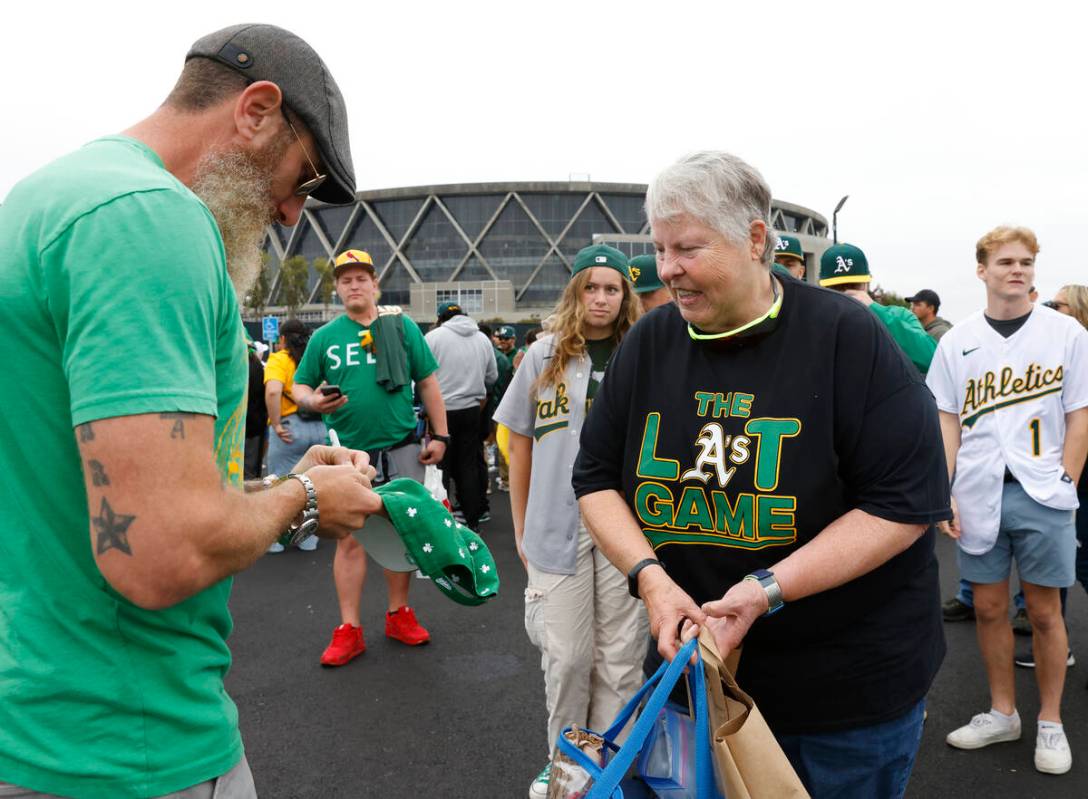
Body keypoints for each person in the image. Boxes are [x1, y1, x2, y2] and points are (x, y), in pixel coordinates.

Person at [0, 24, 383, 799]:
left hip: (40, 718)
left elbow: (103, 497)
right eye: (302, 179)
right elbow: (160, 549)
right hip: (131, 739)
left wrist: (276, 491)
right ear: (256, 111)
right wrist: (306, 497)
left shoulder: (45, 197)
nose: (288, 215)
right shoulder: (151, 219)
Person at [572, 151, 950, 799]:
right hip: (693, 677)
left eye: (688, 247)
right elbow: (597, 478)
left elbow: (904, 504)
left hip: (842, 698)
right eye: (660, 249)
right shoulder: (652, 342)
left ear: (755, 239)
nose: (667, 270)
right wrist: (652, 580)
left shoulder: (846, 338)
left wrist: (765, 589)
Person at [929, 228, 1087, 775]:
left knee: (1044, 611)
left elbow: (1080, 415)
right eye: (1004, 262)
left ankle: (1050, 720)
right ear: (982, 270)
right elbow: (947, 418)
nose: (1016, 270)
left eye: (1025, 262)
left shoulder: (1065, 333)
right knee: (990, 607)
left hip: (1042, 491)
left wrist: (1067, 480)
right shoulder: (957, 341)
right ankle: (1003, 712)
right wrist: (942, 488)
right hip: (977, 491)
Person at [495, 244, 646, 799]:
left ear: (624, 295)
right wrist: (518, 524)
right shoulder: (544, 355)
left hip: (626, 523)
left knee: (621, 658)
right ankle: (564, 760)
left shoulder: (643, 353)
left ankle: (610, 765)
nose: (601, 299)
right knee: (567, 655)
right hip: (556, 522)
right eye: (591, 287)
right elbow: (520, 442)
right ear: (575, 292)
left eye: (612, 288)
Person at [293, 249, 449, 666]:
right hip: (348, 456)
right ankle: (349, 628)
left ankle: (399, 614)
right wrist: (312, 402)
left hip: (401, 447)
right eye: (345, 280)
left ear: (375, 284)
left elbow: (428, 383)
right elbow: (300, 385)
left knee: (403, 535)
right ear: (338, 289)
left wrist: (441, 435)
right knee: (349, 539)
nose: (354, 285)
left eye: (361, 278)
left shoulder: (400, 329)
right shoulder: (326, 337)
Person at [424, 302, 497, 530]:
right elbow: (492, 377)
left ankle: (442, 520)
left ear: (440, 318)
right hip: (472, 409)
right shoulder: (482, 339)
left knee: (441, 465)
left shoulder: (433, 338)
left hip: (441, 410)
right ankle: (472, 518)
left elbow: (421, 377)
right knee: (469, 464)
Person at [818, 243, 937, 374]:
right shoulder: (814, 318)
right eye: (837, 288)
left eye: (853, 285)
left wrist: (875, 310)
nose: (846, 292)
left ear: (866, 284)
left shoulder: (898, 315)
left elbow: (930, 358)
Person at [264, 318, 327, 552]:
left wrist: (277, 424)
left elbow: (273, 391)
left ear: (282, 339)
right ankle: (309, 538)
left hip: (290, 428)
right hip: (318, 427)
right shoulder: (313, 358)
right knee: (311, 485)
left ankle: (275, 540)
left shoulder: (279, 359)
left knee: (279, 483)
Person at [490, 324, 517, 491]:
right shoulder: (497, 356)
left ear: (513, 340)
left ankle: (508, 480)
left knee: (506, 445)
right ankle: (504, 477)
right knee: (496, 443)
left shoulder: (518, 356)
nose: (502, 341)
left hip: (510, 405)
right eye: (500, 338)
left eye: (506, 338)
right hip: (496, 404)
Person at [244, 340, 269, 480]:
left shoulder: (237, 365)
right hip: (256, 425)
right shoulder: (258, 366)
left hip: (241, 424)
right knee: (251, 472)